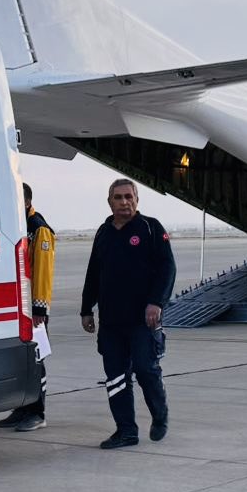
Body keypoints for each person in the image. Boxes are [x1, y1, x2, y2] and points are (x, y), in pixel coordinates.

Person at [80, 178, 173, 449]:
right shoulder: (103, 232)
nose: (124, 202)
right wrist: (87, 309)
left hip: (143, 320)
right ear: (110, 202)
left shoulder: (150, 228)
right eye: (118, 198)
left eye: (128, 197)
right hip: (111, 322)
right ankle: (126, 430)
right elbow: (93, 273)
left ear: (137, 200)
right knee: (116, 378)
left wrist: (156, 302)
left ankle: (160, 414)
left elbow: (168, 268)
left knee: (146, 370)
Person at [0, 183, 55, 432]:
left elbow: (43, 272)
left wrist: (39, 309)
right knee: (21, 361)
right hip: (21, 307)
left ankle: (37, 412)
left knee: (36, 360)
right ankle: (22, 408)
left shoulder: (38, 229)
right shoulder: (20, 227)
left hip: (34, 310)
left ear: (26, 201)